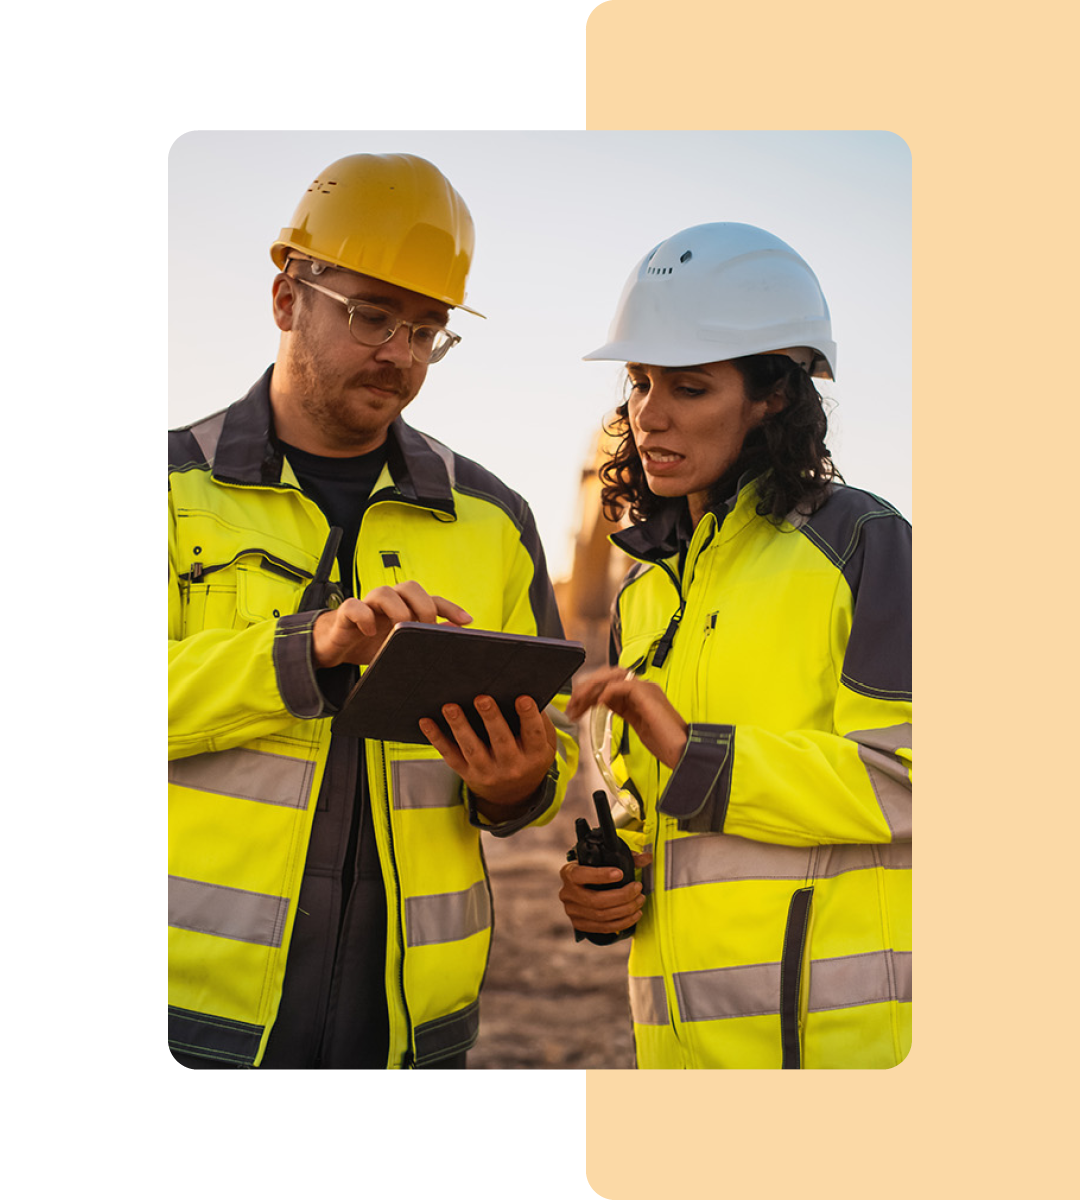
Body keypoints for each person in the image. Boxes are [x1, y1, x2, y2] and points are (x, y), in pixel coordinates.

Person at [168, 153, 578, 1070]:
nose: (399, 353)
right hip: (186, 1016)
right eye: (371, 315)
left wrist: (516, 785)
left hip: (409, 1031)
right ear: (286, 299)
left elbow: (538, 760)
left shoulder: (495, 520)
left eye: (428, 330)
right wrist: (308, 651)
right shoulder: (166, 489)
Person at [558, 223, 911, 1069]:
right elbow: (647, 809)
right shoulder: (645, 591)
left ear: (773, 396)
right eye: (639, 383)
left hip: (838, 1057)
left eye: (688, 387)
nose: (649, 414)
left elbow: (912, 781)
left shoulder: (866, 545)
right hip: (676, 1050)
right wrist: (608, 882)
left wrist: (696, 755)